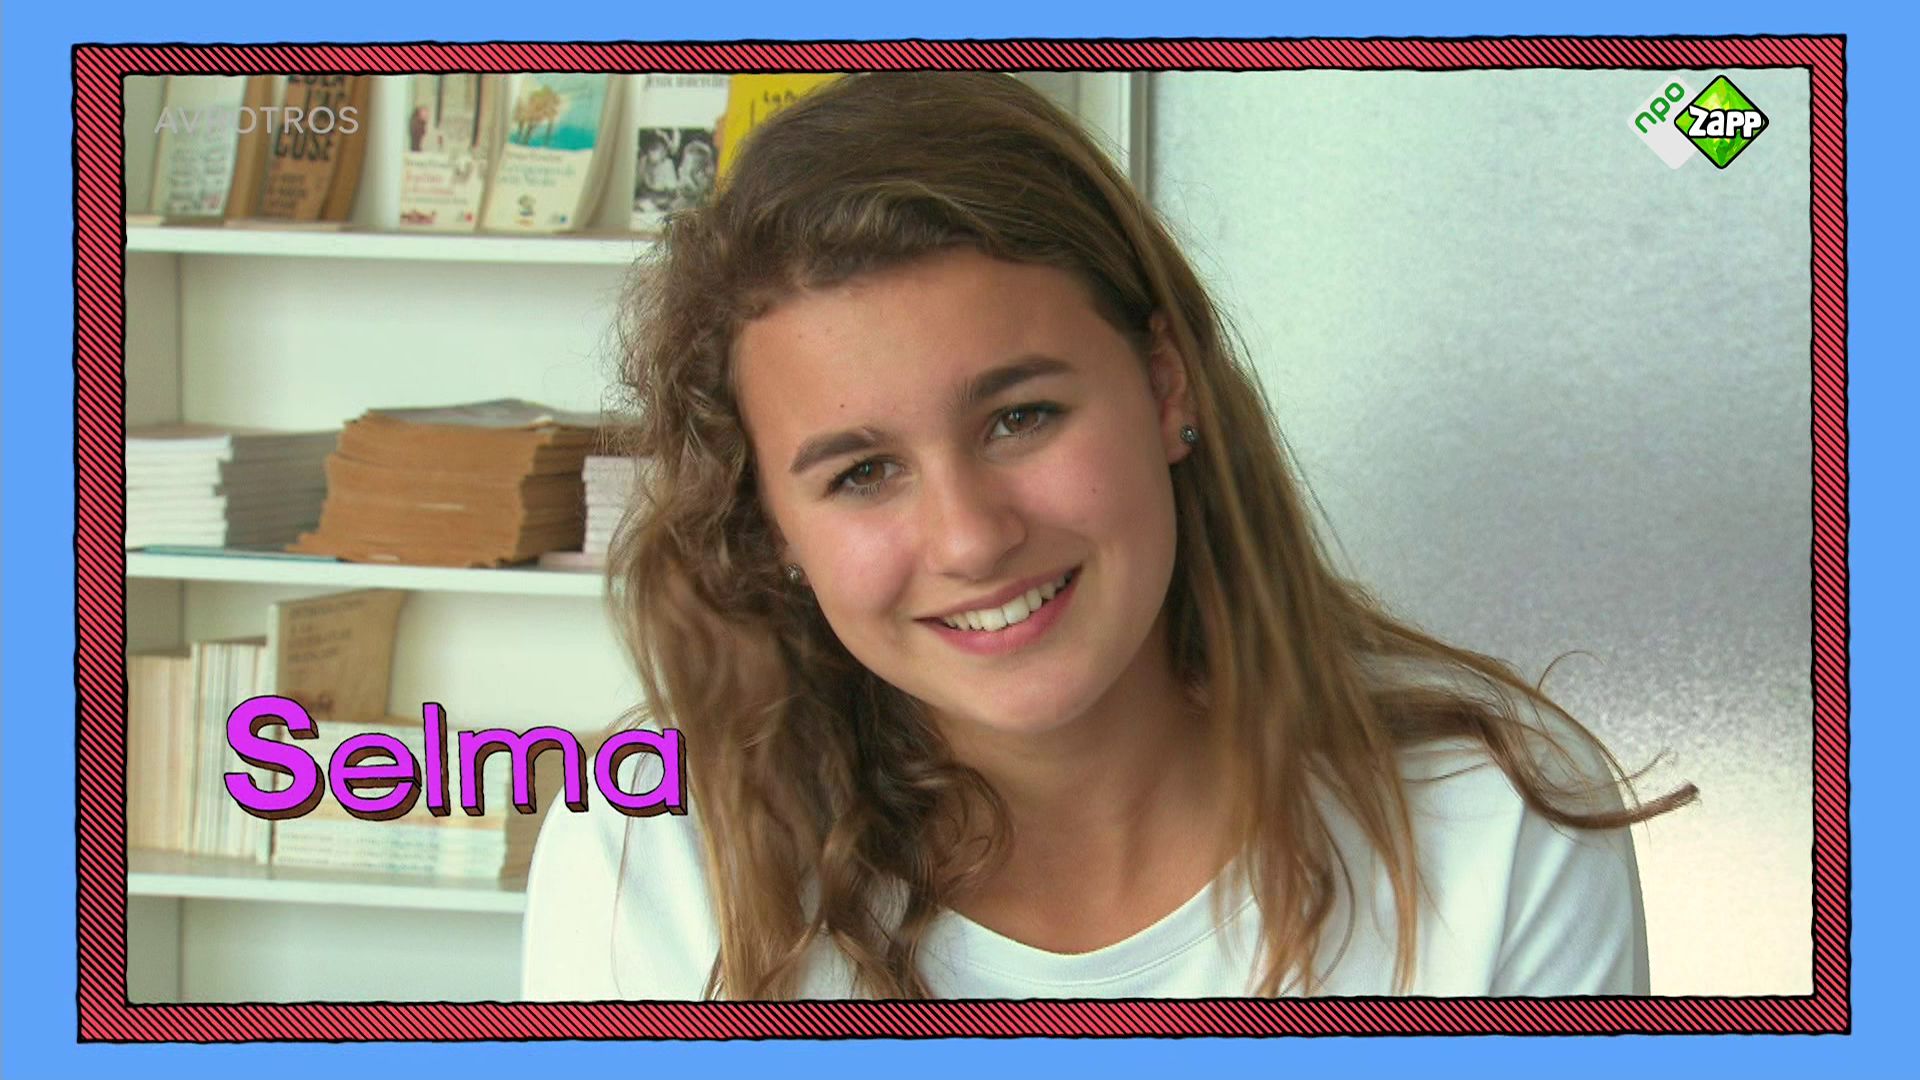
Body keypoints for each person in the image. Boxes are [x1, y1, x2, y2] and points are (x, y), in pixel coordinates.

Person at [521, 72, 1696, 1001]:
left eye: (1021, 417)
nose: (971, 538)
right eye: (862, 473)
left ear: (1164, 385)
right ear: (770, 525)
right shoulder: (651, 843)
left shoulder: (1492, 821)